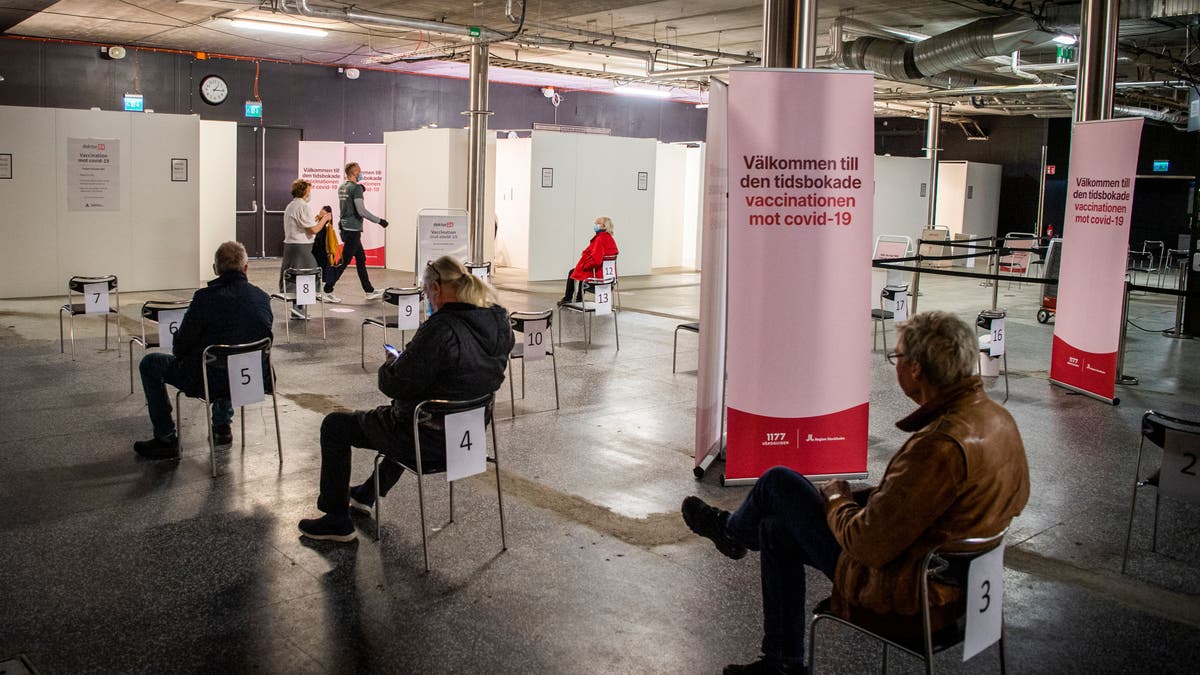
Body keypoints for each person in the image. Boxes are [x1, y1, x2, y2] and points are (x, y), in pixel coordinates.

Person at [681, 311, 1030, 674]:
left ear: (915, 370)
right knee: (774, 530)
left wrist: (837, 498)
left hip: (906, 592)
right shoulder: (996, 419)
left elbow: (866, 544)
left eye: (897, 357)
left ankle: (732, 533)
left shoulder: (939, 445)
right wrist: (870, 499)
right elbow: (998, 498)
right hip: (963, 584)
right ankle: (780, 662)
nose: (895, 365)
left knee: (777, 482)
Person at [298, 255, 515, 542]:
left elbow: (395, 384)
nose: (427, 300)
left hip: (426, 440)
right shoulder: (499, 322)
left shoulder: (441, 328)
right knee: (407, 417)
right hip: (469, 434)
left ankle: (337, 520)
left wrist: (391, 364)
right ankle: (366, 494)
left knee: (336, 425)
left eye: (426, 294)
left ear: (436, 289)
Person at [134, 241, 273, 460]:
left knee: (150, 364)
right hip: (253, 379)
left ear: (216, 269)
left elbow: (181, 347)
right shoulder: (262, 297)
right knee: (229, 355)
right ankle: (221, 427)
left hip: (208, 380)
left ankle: (166, 437)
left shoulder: (204, 299)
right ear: (246, 268)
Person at [324, 162, 388, 301]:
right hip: (353, 230)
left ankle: (369, 290)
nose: (361, 173)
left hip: (345, 227)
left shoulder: (342, 187)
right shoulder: (356, 188)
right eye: (359, 171)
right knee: (344, 261)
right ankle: (327, 290)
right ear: (354, 173)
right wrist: (380, 221)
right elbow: (361, 210)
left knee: (361, 258)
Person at [279, 179, 324, 319]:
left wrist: (317, 218)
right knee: (306, 276)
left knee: (294, 277)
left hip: (290, 246)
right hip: (301, 247)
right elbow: (314, 229)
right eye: (309, 190)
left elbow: (304, 224)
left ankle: (297, 309)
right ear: (305, 191)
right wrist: (324, 219)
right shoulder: (303, 206)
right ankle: (299, 310)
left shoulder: (291, 206)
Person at [560, 216, 618, 305]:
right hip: (610, 278)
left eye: (597, 223)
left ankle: (567, 299)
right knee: (579, 272)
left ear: (604, 226)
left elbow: (596, 261)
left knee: (574, 272)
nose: (595, 225)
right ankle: (578, 298)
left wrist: (584, 265)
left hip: (598, 276)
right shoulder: (610, 239)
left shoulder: (599, 239)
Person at [310, 205, 339, 303]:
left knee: (327, 270)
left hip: (322, 251)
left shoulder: (327, 226)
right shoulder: (322, 225)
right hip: (320, 251)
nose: (320, 213)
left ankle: (325, 292)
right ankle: (324, 293)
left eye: (323, 212)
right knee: (326, 270)